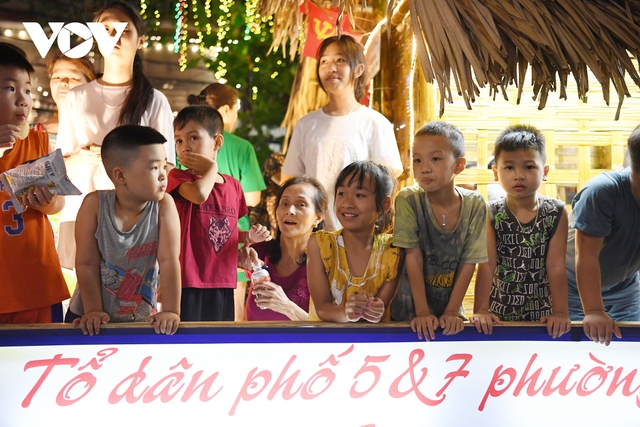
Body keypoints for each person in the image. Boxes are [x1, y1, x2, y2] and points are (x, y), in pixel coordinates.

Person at [55, 0, 176, 271]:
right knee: (85, 303)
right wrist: (86, 156)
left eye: (124, 30)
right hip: (80, 214)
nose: (114, 37)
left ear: (140, 40)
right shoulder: (77, 97)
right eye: (106, 29)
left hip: (136, 219)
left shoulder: (154, 101)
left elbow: (167, 168)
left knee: (131, 303)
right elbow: (59, 166)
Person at [65, 125, 181, 335]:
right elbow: (86, 263)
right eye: (154, 168)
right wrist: (93, 311)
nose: (163, 175)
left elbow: (169, 260)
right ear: (120, 175)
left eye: (165, 166)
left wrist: (171, 311)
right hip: (89, 319)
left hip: (143, 321)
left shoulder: (165, 206)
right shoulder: (94, 205)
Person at [281, 34, 403, 231]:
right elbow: (290, 180)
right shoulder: (306, 124)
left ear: (358, 69)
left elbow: (388, 181)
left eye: (340, 60)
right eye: (324, 62)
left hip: (360, 235)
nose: (331, 68)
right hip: (313, 235)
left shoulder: (375, 123)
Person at [168, 105, 271, 321]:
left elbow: (229, 234)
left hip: (223, 279)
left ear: (217, 142)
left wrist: (249, 238)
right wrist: (211, 169)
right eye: (179, 140)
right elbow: (198, 195)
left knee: (217, 340)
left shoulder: (233, 186)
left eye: (193, 137)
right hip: (188, 280)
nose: (185, 147)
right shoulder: (178, 177)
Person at [470, 125, 571, 338]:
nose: (519, 176)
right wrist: (481, 310)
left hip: (544, 317)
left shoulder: (557, 212)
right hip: (498, 316)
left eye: (528, 167)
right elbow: (487, 264)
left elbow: (556, 266)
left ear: (544, 172)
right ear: (496, 173)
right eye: (509, 168)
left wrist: (561, 312)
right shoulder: (490, 211)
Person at [390, 122, 487, 340]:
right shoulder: (409, 199)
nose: (424, 167)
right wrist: (422, 312)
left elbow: (469, 261)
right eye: (417, 160)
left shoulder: (475, 204)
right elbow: (412, 256)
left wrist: (453, 311)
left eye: (435, 159)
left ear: (459, 165)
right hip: (407, 317)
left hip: (450, 319)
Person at [0, 43, 70, 323]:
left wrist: (49, 202)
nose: (24, 100)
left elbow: (59, 202)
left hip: (37, 287)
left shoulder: (39, 142)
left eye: (27, 89)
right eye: (10, 88)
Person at [566, 126, 640, 346]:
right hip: (573, 288)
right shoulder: (602, 191)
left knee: (630, 349)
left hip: (625, 288)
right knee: (577, 350)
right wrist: (594, 310)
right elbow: (586, 254)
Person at [307, 161, 403, 323]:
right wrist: (347, 313)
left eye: (359, 195)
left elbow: (381, 308)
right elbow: (322, 308)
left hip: (371, 344)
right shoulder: (320, 244)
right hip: (324, 344)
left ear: (384, 204)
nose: (347, 204)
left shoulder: (393, 250)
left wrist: (376, 310)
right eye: (341, 193)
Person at [246, 176, 327, 321]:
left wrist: (287, 307)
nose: (289, 210)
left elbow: (330, 331)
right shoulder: (260, 253)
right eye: (284, 203)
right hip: (254, 343)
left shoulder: (327, 262)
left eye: (301, 204)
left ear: (318, 217)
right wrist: (247, 242)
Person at [43, 55, 96, 136]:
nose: (63, 82)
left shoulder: (97, 133)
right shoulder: (37, 132)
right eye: (57, 77)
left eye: (73, 78)